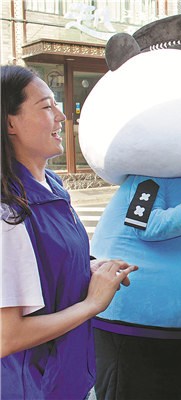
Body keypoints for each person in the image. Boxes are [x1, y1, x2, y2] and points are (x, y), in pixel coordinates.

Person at [0, 65, 137, 399]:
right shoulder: (8, 213)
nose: (61, 116)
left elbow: (46, 265)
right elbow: (7, 336)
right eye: (47, 107)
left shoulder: (51, 186)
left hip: (69, 376)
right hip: (32, 388)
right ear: (10, 123)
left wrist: (88, 269)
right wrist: (93, 303)